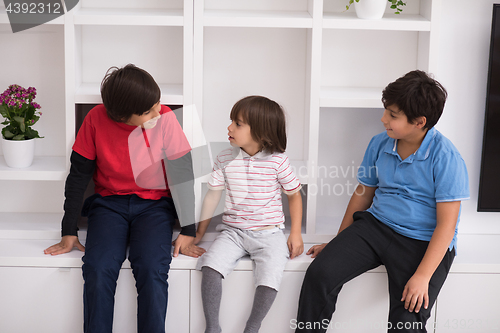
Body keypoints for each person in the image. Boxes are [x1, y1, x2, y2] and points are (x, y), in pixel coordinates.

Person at [295, 70, 470, 333]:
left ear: (420, 122)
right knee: (320, 273)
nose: (383, 118)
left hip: (422, 241)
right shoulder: (380, 143)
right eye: (386, 110)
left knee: (406, 324)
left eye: (393, 115)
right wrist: (339, 241)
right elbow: (363, 193)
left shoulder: (447, 157)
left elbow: (447, 225)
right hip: (376, 226)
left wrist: (422, 276)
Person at [44, 64, 205, 333]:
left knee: (153, 269)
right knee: (97, 269)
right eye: (148, 111)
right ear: (122, 116)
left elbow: (183, 175)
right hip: (109, 205)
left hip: (154, 207)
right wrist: (68, 230)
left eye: (157, 104)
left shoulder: (164, 118)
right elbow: (78, 177)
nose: (159, 112)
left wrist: (188, 228)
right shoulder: (95, 119)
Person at [195, 95, 304, 333]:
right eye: (231, 121)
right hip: (232, 232)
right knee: (210, 267)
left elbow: (294, 195)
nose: (229, 127)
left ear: (261, 133)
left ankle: (252, 327)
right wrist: (199, 233)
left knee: (271, 276)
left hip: (269, 234)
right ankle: (212, 327)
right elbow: (213, 195)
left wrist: (295, 233)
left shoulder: (278, 162)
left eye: (238, 123)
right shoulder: (225, 157)